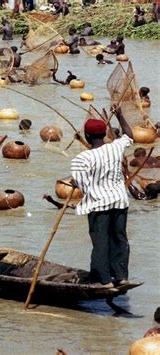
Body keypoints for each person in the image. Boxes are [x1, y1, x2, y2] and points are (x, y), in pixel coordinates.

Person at [70, 105, 134, 288]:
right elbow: (129, 136)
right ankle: (121, 276)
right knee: (119, 238)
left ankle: (103, 280)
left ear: (87, 136)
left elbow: (82, 185)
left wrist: (76, 183)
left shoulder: (81, 159)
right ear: (105, 134)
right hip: (120, 201)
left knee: (101, 241)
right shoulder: (115, 148)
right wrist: (120, 116)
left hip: (99, 204)